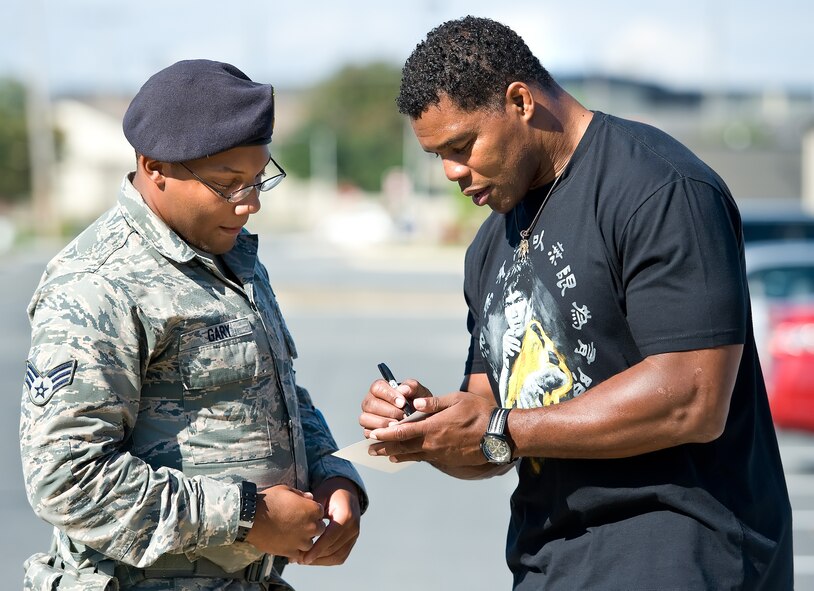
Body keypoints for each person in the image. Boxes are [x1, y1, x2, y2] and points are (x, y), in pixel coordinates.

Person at [359, 16, 793, 590]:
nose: (451, 172)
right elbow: (489, 424)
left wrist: (499, 428)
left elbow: (693, 397)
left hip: (682, 554)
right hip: (550, 563)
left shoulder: (660, 189)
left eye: (462, 146)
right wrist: (428, 428)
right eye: (439, 154)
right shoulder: (492, 245)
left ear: (520, 101)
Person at [21, 59, 366, 591]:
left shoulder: (229, 256)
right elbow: (68, 480)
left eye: (258, 180)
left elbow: (275, 393)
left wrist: (332, 474)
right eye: (228, 184)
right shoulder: (99, 283)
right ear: (155, 165)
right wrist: (249, 515)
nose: (249, 204)